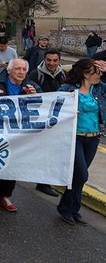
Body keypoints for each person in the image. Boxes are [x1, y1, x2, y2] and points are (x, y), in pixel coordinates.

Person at [0, 58, 41, 213]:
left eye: (23, 69)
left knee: (15, 164)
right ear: (9, 70)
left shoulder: (30, 85)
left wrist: (36, 94)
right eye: (17, 69)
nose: (21, 72)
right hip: (1, 132)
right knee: (0, 162)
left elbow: (45, 101)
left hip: (20, 134)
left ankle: (6, 196)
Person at [57, 58, 106, 225]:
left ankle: (72, 209)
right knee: (81, 174)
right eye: (96, 72)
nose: (99, 75)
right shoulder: (68, 89)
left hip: (93, 138)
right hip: (75, 137)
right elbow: (55, 106)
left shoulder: (98, 89)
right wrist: (67, 110)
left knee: (78, 177)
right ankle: (66, 208)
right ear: (85, 74)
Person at [27, 49, 67, 197]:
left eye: (55, 60)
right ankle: (41, 182)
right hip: (40, 118)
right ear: (44, 59)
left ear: (59, 61)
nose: (51, 63)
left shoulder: (63, 75)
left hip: (56, 119)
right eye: (49, 60)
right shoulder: (35, 74)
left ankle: (44, 182)